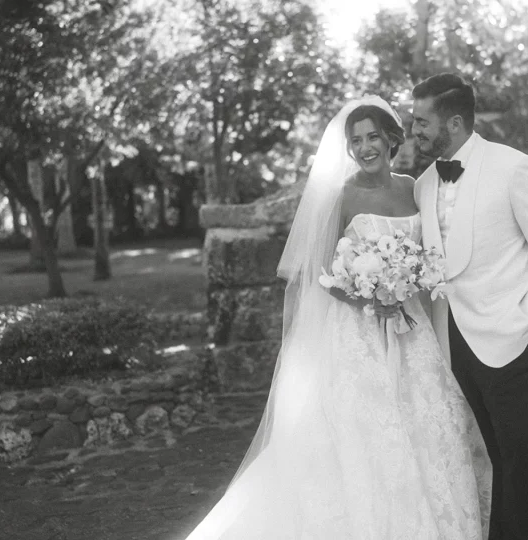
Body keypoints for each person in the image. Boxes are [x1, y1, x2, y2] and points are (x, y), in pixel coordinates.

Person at [182, 96, 491, 540]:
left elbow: (431, 255)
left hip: (411, 328)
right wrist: (368, 298)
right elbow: (320, 276)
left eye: (372, 137)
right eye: (356, 141)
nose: (365, 148)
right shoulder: (342, 197)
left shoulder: (415, 189)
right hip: (358, 334)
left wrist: (406, 284)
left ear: (391, 139)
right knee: (365, 435)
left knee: (428, 425)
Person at [412, 73, 528, 540]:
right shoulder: (424, 185)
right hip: (454, 340)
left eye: (421, 122)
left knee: (519, 455)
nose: (414, 131)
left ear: (455, 122)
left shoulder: (515, 168)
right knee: (493, 456)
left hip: (511, 336)